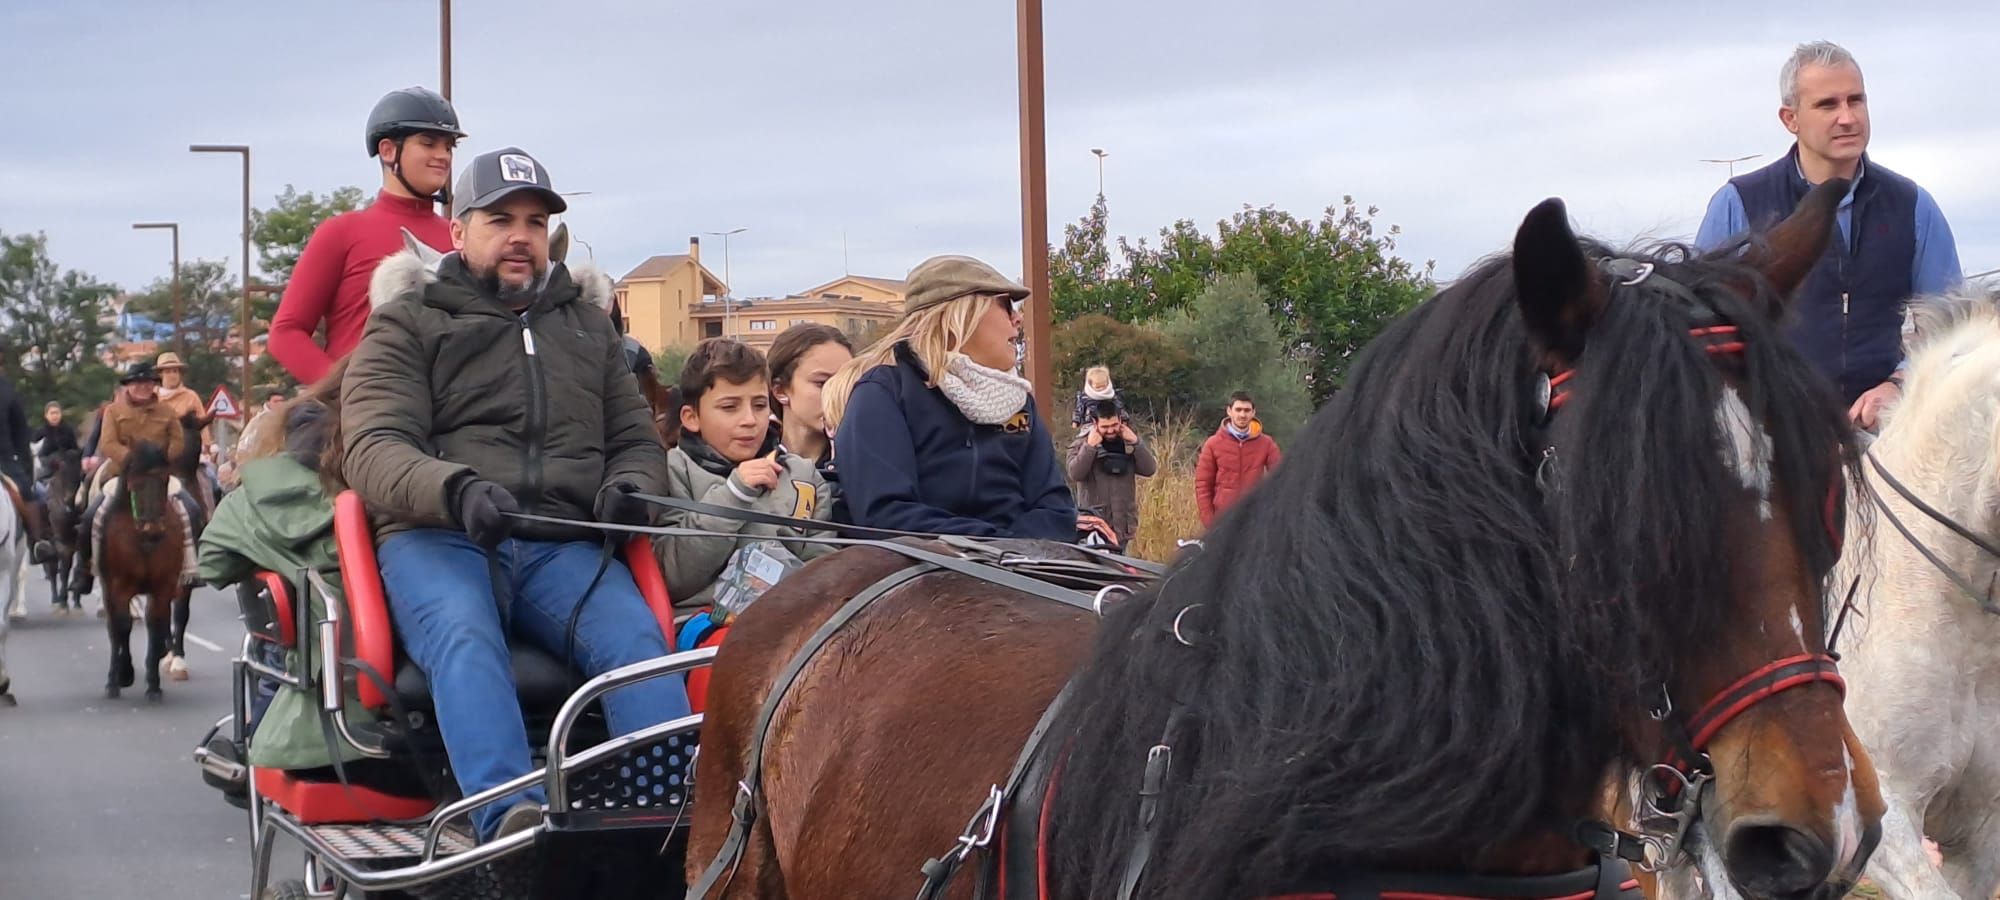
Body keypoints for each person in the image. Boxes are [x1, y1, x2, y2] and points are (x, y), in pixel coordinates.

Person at [340, 146, 684, 842]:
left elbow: (636, 442)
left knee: (636, 641)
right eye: (500, 219)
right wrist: (455, 488)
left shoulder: (588, 328)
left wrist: (630, 492)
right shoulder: (408, 322)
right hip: (441, 534)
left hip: (561, 544)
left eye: (534, 220)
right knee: (466, 637)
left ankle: (664, 821)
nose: (520, 234)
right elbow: (372, 448)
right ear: (458, 232)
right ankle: (509, 820)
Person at [1695, 41, 1961, 430]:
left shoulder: (1913, 206)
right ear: (1790, 119)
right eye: (1827, 105)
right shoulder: (1738, 204)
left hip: (1886, 436)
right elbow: (1701, 327)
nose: (1848, 117)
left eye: (1856, 100)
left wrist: (1898, 384)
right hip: (1775, 439)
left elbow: (1951, 328)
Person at [826, 254, 1104, 541]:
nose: (1018, 318)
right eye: (1006, 305)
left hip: (1023, 566)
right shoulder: (883, 394)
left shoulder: (1018, 402)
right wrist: (997, 545)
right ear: (960, 315)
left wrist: (1015, 552)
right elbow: (885, 515)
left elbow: (1056, 509)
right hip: (922, 568)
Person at [269, 86, 464, 385]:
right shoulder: (341, 232)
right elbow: (286, 333)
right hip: (356, 416)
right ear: (388, 151)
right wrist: (343, 391)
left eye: (448, 147)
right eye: (429, 143)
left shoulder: (462, 238)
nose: (442, 156)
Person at [657, 339, 837, 611]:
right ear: (691, 417)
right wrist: (734, 494)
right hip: (706, 622)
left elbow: (824, 566)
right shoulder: (671, 471)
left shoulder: (803, 477)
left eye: (760, 405)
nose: (750, 420)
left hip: (795, 620)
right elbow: (674, 577)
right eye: (730, 407)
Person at [71, 362, 200, 598]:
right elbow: (108, 443)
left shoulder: (167, 412)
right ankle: (84, 569)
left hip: (159, 473)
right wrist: (133, 459)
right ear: (128, 386)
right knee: (93, 515)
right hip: (122, 473)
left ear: (153, 386)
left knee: (190, 509)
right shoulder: (113, 411)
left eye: (147, 383)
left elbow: (178, 441)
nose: (142, 387)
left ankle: (192, 566)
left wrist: (162, 457)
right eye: (137, 383)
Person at [1066, 399, 1157, 548]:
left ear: (1120, 420)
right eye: (1105, 426)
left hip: (1123, 526)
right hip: (1094, 528)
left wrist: (1136, 443)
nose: (1110, 430)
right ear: (1095, 423)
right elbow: (1075, 474)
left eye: (1114, 425)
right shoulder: (1081, 445)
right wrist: (1090, 447)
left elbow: (1149, 469)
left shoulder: (1128, 443)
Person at [767, 323, 854, 464]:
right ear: (780, 390)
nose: (840, 395)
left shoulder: (864, 461)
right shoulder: (746, 456)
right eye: (822, 383)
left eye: (847, 383)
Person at [1196, 391, 1282, 528]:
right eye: (1238, 410)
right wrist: (1210, 523)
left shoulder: (1266, 443)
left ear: (1253, 412)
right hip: (1222, 519)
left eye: (1247, 410)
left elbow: (1280, 477)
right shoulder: (1213, 444)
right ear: (1229, 411)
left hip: (1254, 519)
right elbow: (1203, 485)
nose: (1242, 415)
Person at [0, 360, 51, 563]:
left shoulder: (8, 392)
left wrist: (26, 470)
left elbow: (21, 434)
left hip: (2, 458)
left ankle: (37, 541)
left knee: (27, 492)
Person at [1069, 365, 1128, 429]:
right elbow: (1078, 410)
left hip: (1112, 423)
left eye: (1103, 386)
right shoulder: (1084, 397)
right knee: (1092, 437)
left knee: (1125, 434)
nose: (1101, 389)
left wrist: (1124, 419)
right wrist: (1075, 421)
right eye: (1098, 387)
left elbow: (1120, 408)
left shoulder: (1113, 395)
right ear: (1090, 385)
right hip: (1090, 424)